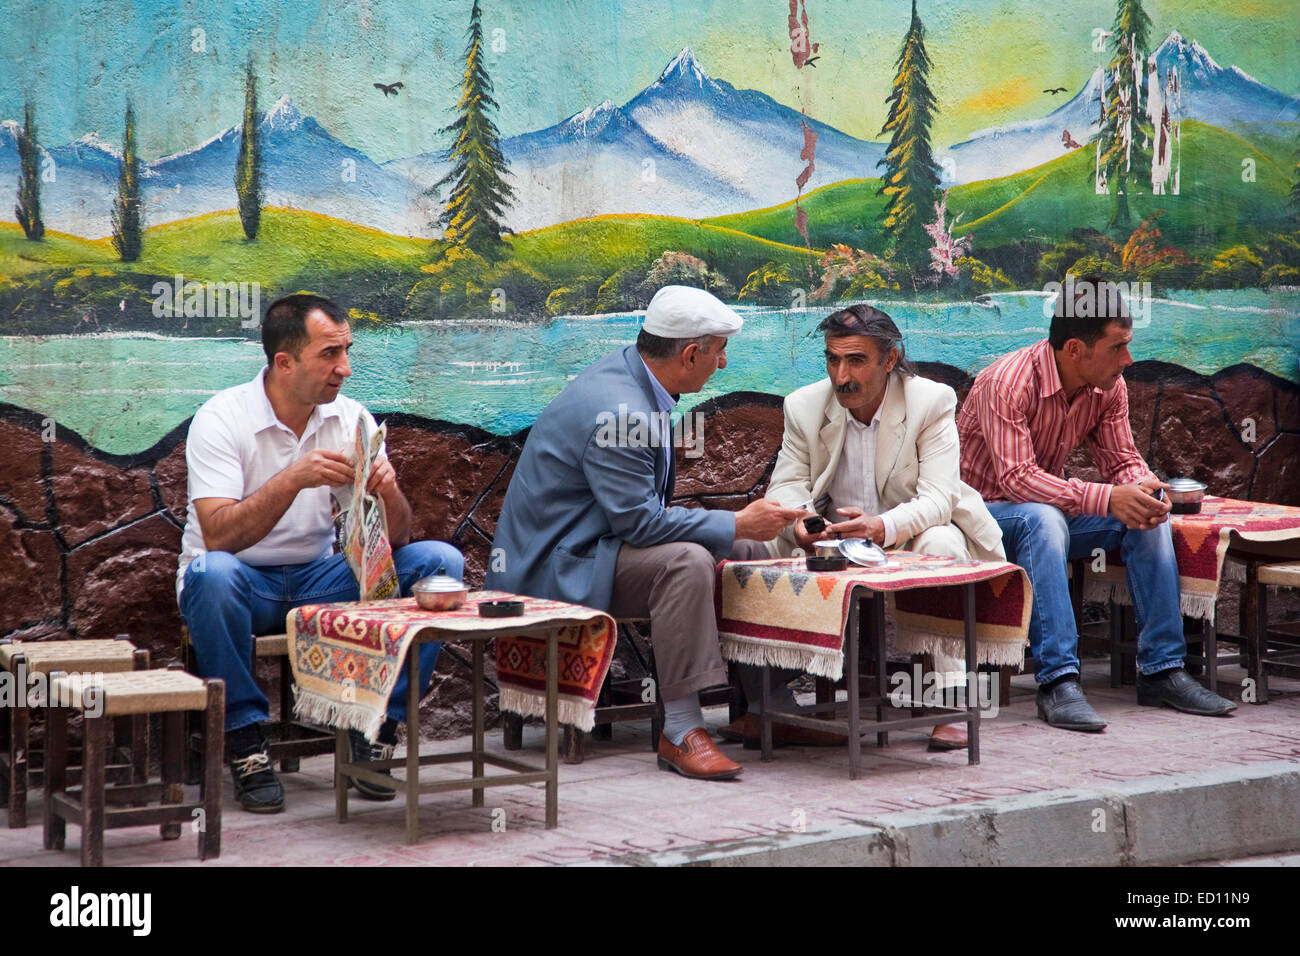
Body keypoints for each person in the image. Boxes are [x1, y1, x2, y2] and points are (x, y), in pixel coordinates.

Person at [485, 285, 807, 781]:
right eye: (719, 352)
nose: (722, 364)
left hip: (594, 549)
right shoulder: (621, 411)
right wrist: (736, 519)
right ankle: (680, 729)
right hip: (556, 567)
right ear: (690, 354)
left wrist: (741, 530)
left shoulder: (633, 374)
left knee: (747, 549)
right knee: (688, 562)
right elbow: (638, 523)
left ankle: (767, 705)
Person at [177, 294, 463, 812]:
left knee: (440, 565)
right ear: (284, 363)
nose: (345, 369)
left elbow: (395, 539)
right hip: (244, 584)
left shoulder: (349, 418)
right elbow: (217, 536)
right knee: (211, 573)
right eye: (330, 354)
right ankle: (245, 743)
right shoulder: (222, 418)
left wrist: (387, 490)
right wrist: (293, 479)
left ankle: (375, 725)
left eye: (347, 350)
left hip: (321, 580)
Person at [957, 276, 1235, 731]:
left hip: (1044, 515)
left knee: (1144, 516)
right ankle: (1057, 682)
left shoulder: (1110, 385)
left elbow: (1122, 459)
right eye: (1118, 347)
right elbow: (1017, 479)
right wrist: (1107, 496)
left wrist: (1142, 489)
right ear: (1074, 349)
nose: (1128, 359)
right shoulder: (1005, 384)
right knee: (1042, 519)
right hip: (981, 519)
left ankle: (1163, 671)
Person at [760, 304, 1006, 751]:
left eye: (856, 360)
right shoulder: (803, 405)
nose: (841, 376)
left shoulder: (931, 401)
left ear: (890, 360)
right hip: (834, 542)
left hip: (907, 532)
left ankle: (949, 701)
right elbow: (788, 485)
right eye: (833, 359)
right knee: (757, 545)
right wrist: (804, 525)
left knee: (943, 540)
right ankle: (764, 703)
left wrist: (878, 526)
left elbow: (937, 499)